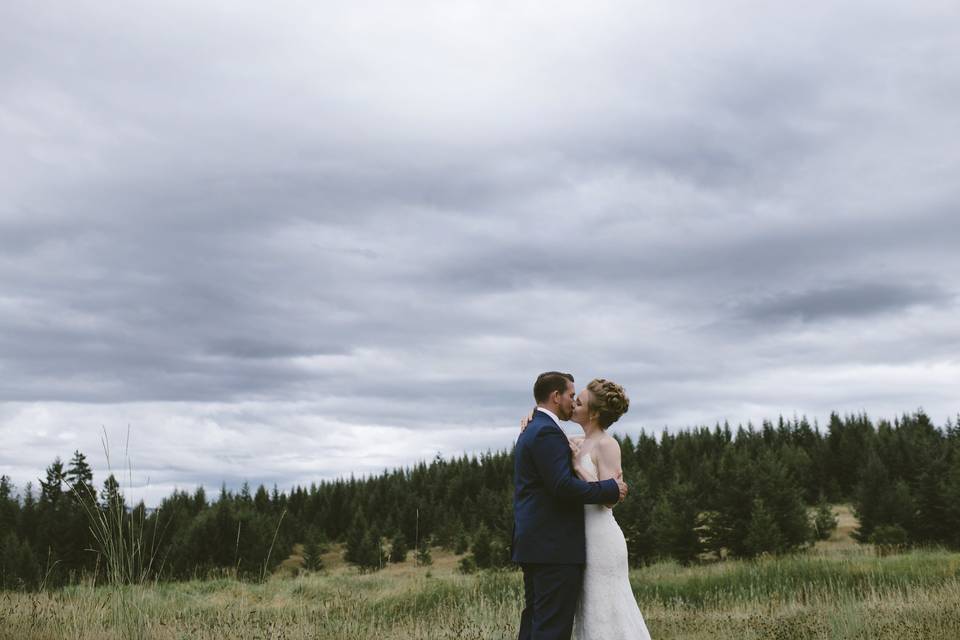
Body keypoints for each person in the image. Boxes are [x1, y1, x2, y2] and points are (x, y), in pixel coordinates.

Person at [512, 372, 629, 640]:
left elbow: (607, 501)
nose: (574, 403)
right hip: (557, 546)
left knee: (548, 620)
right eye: (572, 396)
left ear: (594, 412)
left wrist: (536, 413)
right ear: (556, 397)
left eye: (580, 400)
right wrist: (610, 487)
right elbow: (562, 486)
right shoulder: (557, 436)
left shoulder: (597, 443)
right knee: (549, 624)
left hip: (587, 539)